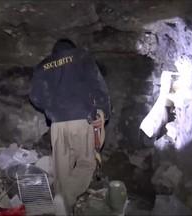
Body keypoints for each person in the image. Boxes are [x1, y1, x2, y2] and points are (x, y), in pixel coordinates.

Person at [29, 38, 111, 211]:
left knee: (61, 168)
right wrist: (103, 112)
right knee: (86, 163)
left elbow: (35, 96)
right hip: (82, 119)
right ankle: (67, 197)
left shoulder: (43, 65)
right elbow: (98, 86)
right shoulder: (81, 56)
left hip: (58, 124)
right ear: (71, 48)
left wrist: (51, 109)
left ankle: (63, 206)